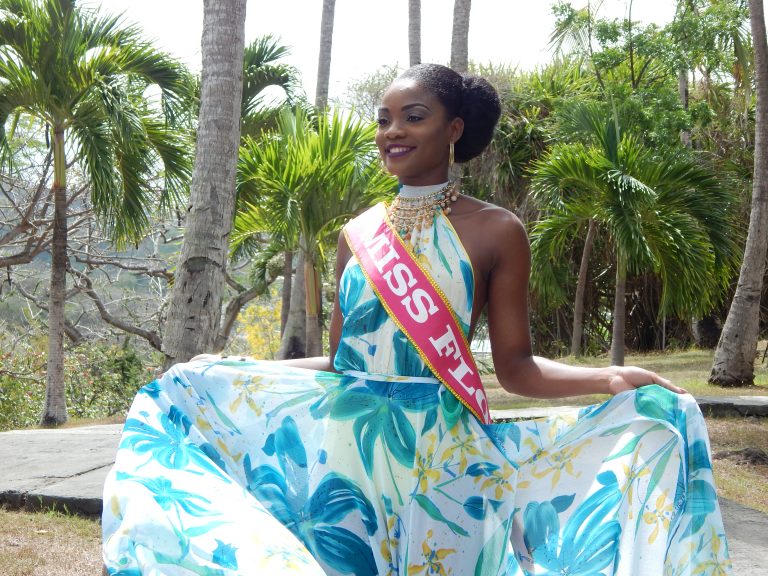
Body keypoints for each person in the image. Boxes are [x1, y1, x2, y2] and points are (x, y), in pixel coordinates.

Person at [102, 63, 731, 575]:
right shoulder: (358, 234)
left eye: (413, 116)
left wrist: (612, 379)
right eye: (383, 120)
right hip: (348, 451)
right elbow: (342, 361)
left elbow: (515, 369)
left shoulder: (496, 230)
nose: (392, 132)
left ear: (453, 128)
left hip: (445, 457)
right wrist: (235, 371)